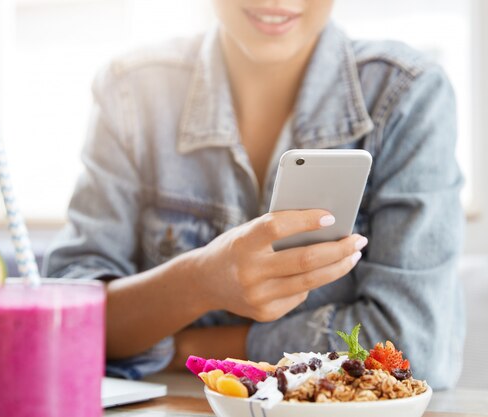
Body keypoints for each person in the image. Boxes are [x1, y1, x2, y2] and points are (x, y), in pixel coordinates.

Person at [44, 0, 465, 388]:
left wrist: (185, 349)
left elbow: (414, 347)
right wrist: (200, 280)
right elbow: (62, 326)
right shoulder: (131, 91)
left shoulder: (405, 95)